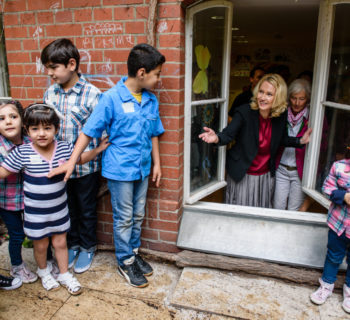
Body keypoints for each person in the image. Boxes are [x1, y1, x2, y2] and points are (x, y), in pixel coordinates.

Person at [48, 44, 165, 288]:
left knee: (138, 214)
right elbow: (88, 132)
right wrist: (71, 162)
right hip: (120, 170)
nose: (159, 78)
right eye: (157, 74)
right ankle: (124, 261)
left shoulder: (150, 100)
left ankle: (132, 252)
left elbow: (154, 132)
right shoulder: (110, 98)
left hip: (142, 169)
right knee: (123, 217)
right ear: (142, 72)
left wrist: (157, 164)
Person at [0, 103, 109, 294]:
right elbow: (3, 172)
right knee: (41, 246)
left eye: (47, 128)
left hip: (59, 211)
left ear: (56, 129)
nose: (41, 133)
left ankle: (64, 273)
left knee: (60, 243)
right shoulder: (22, 152)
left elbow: (80, 159)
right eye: (35, 129)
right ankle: (44, 272)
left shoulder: (64, 148)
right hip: (36, 215)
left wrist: (98, 150)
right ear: (27, 130)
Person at [199, 74, 312, 208]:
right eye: (261, 92)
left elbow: (281, 139)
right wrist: (216, 137)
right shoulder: (244, 112)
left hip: (264, 178)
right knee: (240, 214)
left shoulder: (280, 116)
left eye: (269, 94)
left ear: (278, 97)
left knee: (260, 214)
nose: (263, 97)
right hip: (242, 175)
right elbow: (228, 134)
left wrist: (299, 141)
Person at [41, 38, 102, 273]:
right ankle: (73, 243)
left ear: (72, 64)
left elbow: (99, 134)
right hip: (59, 168)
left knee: (86, 208)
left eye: (53, 67)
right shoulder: (49, 94)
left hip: (86, 168)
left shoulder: (93, 95)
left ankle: (88, 246)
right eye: (47, 68)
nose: (49, 73)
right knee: (67, 209)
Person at [310, 142, 350, 314]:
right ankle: (326, 286)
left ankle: (349, 292)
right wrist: (344, 196)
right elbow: (327, 187)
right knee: (333, 256)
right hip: (339, 224)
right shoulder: (339, 166)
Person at [0, 100, 38, 284]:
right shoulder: (1, 147)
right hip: (7, 202)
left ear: (22, 121)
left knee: (40, 231)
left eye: (13, 117)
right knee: (16, 234)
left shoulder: (31, 141)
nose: (8, 122)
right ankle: (17, 266)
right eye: (1, 119)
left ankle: (45, 262)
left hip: (32, 198)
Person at [274, 79, 311, 210]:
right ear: (289, 97)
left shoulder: (313, 117)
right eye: (294, 98)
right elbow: (277, 139)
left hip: (299, 171)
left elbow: (321, 145)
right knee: (278, 208)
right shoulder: (281, 113)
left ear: (307, 99)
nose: (296, 103)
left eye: (301, 99)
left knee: (293, 210)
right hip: (281, 169)